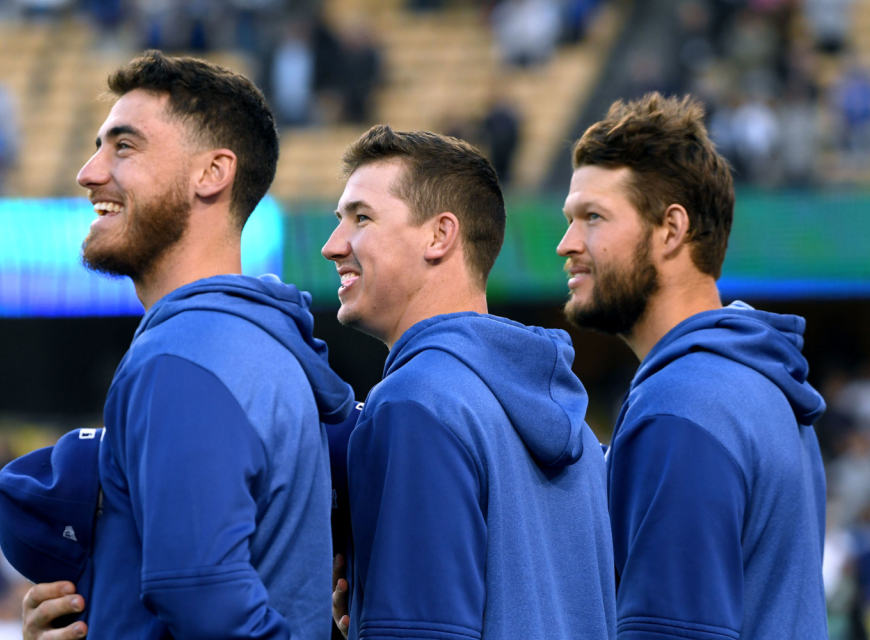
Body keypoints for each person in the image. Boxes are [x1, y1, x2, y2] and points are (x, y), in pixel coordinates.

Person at [10, 50, 356, 640]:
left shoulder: (180, 358)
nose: (89, 172)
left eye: (124, 146)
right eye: (98, 146)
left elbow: (202, 604)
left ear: (211, 173)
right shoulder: (266, 341)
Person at [323, 125, 616, 640]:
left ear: (439, 235)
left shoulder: (416, 404)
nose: (332, 246)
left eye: (361, 218)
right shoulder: (580, 433)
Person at [555, 93, 827, 639]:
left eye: (593, 218)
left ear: (672, 229)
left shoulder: (680, 407)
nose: (567, 244)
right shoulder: (764, 382)